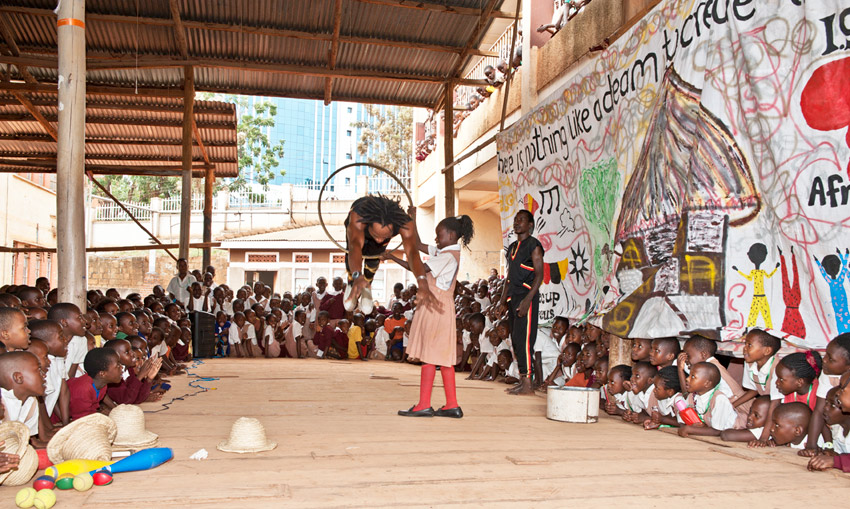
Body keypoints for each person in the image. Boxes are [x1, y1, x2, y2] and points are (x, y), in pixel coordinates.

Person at [389, 214, 474, 418]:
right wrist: (412, 218)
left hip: (436, 307)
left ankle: (424, 404)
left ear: (452, 235)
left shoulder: (446, 256)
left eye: (439, 235)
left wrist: (391, 257)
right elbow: (417, 243)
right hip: (441, 306)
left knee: (429, 354)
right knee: (442, 357)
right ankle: (451, 404)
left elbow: (417, 267)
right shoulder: (447, 251)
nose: (436, 239)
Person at [343, 195, 439, 315]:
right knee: (353, 254)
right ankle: (352, 282)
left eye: (384, 236)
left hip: (376, 234)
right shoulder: (357, 216)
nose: (379, 239)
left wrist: (422, 281)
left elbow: (412, 253)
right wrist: (357, 275)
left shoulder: (404, 223)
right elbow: (355, 246)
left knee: (374, 259)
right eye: (376, 235)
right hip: (358, 229)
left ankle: (367, 283)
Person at [498, 210, 544, 395]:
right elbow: (509, 276)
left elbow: (539, 275)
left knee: (525, 341)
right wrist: (502, 300)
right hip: (513, 298)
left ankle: (528, 383)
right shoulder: (513, 247)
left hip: (527, 298)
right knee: (516, 340)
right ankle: (523, 378)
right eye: (516, 220)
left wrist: (527, 300)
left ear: (530, 225)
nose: (517, 223)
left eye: (521, 220)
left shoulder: (534, 245)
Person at [677, 363, 738, 438]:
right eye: (689, 375)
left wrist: (690, 429)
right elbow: (684, 419)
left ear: (707, 383)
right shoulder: (692, 396)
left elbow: (717, 431)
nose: (687, 379)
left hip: (734, 432)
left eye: (693, 376)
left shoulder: (719, 399)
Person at [0, 351, 45, 441]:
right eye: (38, 370)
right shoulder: (2, 401)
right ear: (18, 378)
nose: (43, 375)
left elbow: (26, 441)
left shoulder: (31, 401)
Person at [67, 348, 122, 420]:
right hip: (57, 420)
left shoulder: (102, 384)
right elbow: (81, 419)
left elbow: (92, 408)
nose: (121, 367)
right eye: (117, 365)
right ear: (102, 374)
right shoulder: (83, 389)